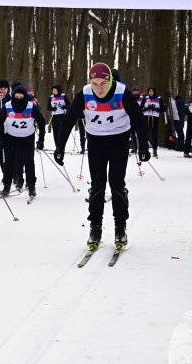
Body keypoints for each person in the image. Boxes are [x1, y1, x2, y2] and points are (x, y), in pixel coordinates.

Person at [53, 63, 149, 247]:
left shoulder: (122, 92)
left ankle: (120, 226)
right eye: (94, 83)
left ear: (110, 80)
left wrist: (143, 147)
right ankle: (95, 227)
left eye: (103, 83)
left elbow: (139, 120)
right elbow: (68, 120)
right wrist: (60, 147)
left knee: (116, 183)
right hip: (96, 141)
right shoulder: (85, 93)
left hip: (119, 140)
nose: (99, 88)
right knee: (98, 185)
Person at [0, 83, 46, 197]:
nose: (19, 99)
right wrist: (1, 138)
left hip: (27, 137)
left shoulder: (30, 106)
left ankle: (31, 186)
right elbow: (0, 122)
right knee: (9, 162)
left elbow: (42, 122)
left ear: (25, 96)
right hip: (11, 137)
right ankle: (7, 186)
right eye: (16, 96)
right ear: (13, 95)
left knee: (29, 161)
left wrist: (41, 140)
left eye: (21, 97)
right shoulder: (8, 106)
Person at [140, 87, 164, 158]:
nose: (151, 92)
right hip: (146, 118)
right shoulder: (145, 98)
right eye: (149, 91)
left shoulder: (159, 99)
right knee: (145, 134)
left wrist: (155, 109)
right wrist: (146, 108)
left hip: (155, 119)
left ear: (154, 92)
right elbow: (140, 108)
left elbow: (163, 109)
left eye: (152, 91)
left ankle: (155, 150)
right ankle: (145, 149)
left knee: (154, 135)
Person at [0, 79, 11, 173]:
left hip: (11, 130)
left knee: (10, 152)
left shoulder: (12, 98)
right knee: (0, 152)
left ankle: (12, 173)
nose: (3, 90)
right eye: (1, 88)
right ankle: (4, 172)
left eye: (5, 88)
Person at [48, 83, 70, 148]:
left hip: (62, 116)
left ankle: (61, 146)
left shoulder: (63, 96)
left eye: (55, 90)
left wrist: (65, 107)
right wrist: (52, 108)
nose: (53, 91)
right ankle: (57, 147)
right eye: (53, 90)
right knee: (55, 132)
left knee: (61, 132)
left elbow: (69, 105)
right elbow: (48, 107)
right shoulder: (51, 97)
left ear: (58, 90)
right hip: (54, 116)